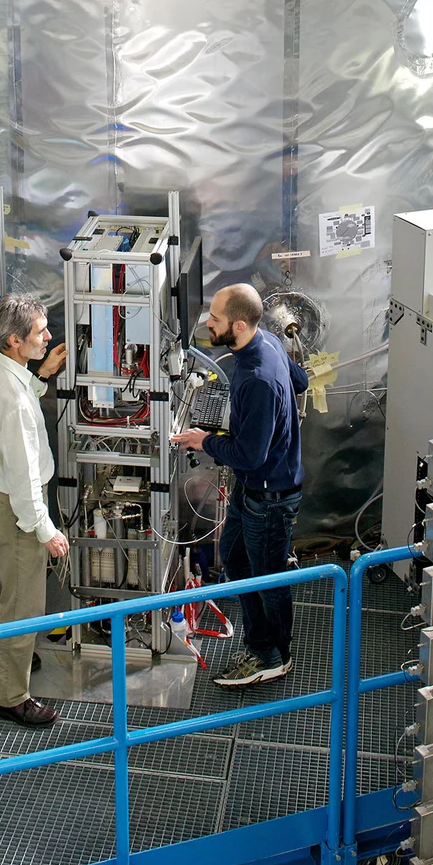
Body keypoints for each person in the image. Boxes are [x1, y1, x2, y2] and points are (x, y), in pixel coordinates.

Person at [171, 283, 308, 688]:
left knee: (264, 576)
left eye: (215, 319)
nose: (208, 324)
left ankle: (272, 656)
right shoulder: (266, 344)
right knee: (235, 558)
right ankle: (263, 641)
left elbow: (250, 456)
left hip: (268, 496)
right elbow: (299, 382)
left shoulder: (256, 377)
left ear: (241, 325)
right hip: (256, 490)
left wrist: (204, 440)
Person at [0, 292, 70, 728]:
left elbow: (18, 390)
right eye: (40, 333)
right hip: (16, 509)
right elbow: (27, 477)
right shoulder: (14, 403)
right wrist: (45, 530)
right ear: (13, 340)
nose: (48, 337)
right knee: (23, 603)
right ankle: (10, 694)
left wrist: (41, 375)